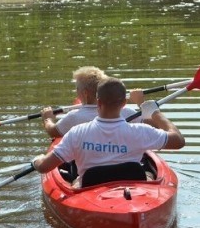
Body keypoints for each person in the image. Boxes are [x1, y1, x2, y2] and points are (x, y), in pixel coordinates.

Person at [32, 77, 185, 187]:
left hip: (91, 187)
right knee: (149, 175)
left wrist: (37, 160)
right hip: (134, 188)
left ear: (98, 102)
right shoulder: (141, 131)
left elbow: (44, 167)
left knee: (76, 181)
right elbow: (178, 141)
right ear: (124, 103)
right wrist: (154, 112)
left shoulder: (76, 133)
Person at [41, 66, 144, 138]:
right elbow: (152, 124)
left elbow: (53, 131)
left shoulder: (74, 117)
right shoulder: (127, 112)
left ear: (85, 93)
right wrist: (141, 102)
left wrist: (47, 119)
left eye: (77, 88)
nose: (77, 91)